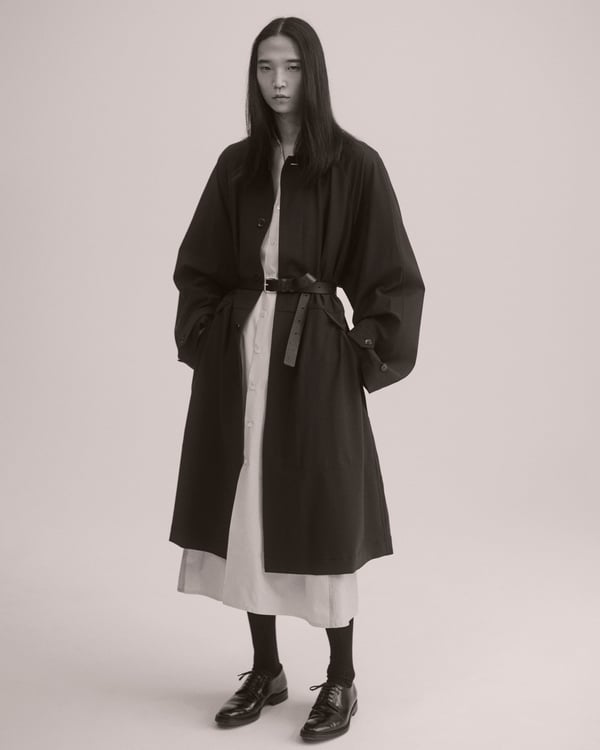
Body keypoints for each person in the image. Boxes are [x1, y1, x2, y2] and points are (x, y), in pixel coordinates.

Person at [168, 16, 425, 742]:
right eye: (264, 68)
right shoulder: (237, 165)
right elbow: (198, 266)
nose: (277, 83)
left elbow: (393, 277)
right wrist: (207, 336)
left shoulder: (356, 164)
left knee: (322, 508)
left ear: (314, 72)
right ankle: (266, 668)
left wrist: (357, 354)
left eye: (291, 68)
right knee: (247, 502)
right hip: (240, 352)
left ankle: (341, 678)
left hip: (313, 356)